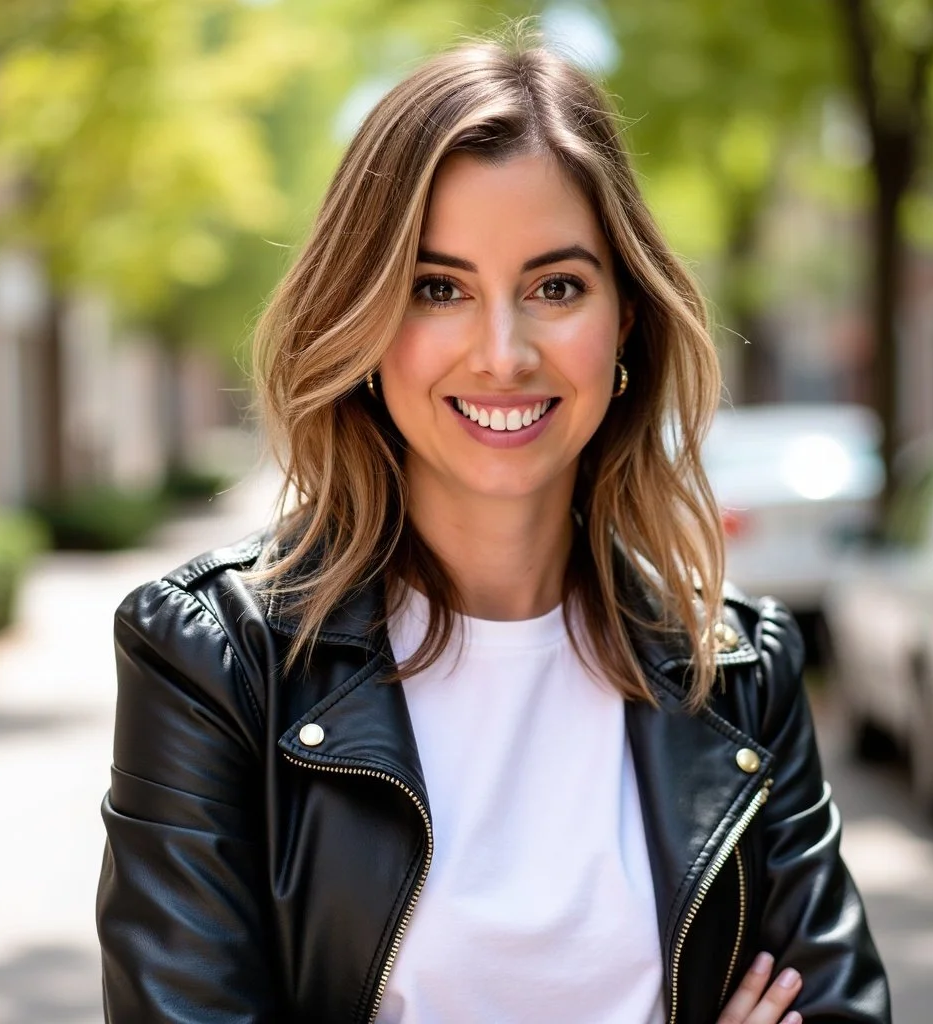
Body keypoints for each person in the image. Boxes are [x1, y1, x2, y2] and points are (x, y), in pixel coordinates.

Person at [95, 32, 891, 1024]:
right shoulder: (216, 661)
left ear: (625, 319)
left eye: (556, 286)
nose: (503, 352)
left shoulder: (735, 666)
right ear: (366, 320)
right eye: (438, 288)